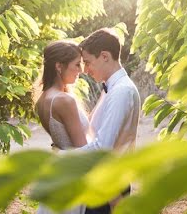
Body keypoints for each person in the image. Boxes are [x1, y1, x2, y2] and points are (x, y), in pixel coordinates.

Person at [78, 28, 141, 213]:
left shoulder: (121, 91)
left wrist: (66, 155)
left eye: (88, 62)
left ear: (105, 56)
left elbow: (103, 148)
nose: (86, 70)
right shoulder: (112, 88)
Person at [34, 40, 90, 214]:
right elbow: (83, 149)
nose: (81, 70)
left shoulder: (42, 99)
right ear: (59, 66)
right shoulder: (64, 100)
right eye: (76, 64)